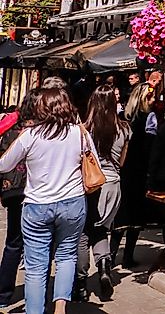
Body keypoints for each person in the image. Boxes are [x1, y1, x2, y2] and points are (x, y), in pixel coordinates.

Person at [0, 86, 87, 314]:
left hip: (38, 204)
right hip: (73, 201)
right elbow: (92, 161)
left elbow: (4, 165)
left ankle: (35, 311)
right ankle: (60, 308)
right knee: (67, 256)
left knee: (36, 265)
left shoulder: (30, 135)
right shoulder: (79, 132)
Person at [79, 84, 130, 302]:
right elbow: (121, 162)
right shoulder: (125, 129)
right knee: (101, 230)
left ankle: (80, 283)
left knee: (82, 233)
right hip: (114, 184)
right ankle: (103, 267)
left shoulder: (85, 128)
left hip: (90, 184)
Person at [113, 81, 154, 268]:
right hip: (139, 169)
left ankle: (111, 255)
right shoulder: (149, 118)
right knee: (135, 214)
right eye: (151, 97)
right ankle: (127, 255)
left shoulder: (122, 117)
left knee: (121, 211)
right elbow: (150, 146)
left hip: (123, 168)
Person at [0, 103, 27, 306]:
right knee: (38, 245)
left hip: (14, 191)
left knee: (13, 242)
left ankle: (3, 295)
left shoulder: (10, 126)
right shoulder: (41, 129)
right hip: (37, 192)